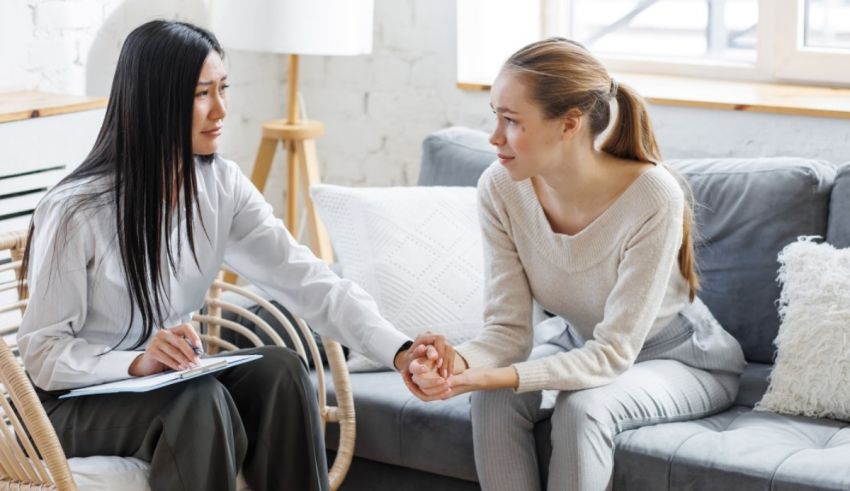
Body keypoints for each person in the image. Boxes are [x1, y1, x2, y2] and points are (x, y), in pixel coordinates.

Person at [18, 20, 446, 491]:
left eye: (223, 89)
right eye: (202, 94)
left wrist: (401, 350)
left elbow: (308, 280)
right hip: (68, 405)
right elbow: (43, 355)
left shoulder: (220, 186)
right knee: (198, 402)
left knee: (281, 372)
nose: (220, 110)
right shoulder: (76, 210)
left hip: (167, 389)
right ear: (155, 102)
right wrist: (137, 363)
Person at [406, 38, 746, 491]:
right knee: (491, 400)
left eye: (511, 121)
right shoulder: (502, 187)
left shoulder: (652, 196)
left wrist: (491, 375)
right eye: (495, 115)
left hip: (681, 360)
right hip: (577, 343)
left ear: (569, 124)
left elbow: (611, 354)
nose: (493, 137)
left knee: (583, 408)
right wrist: (457, 363)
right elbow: (508, 332)